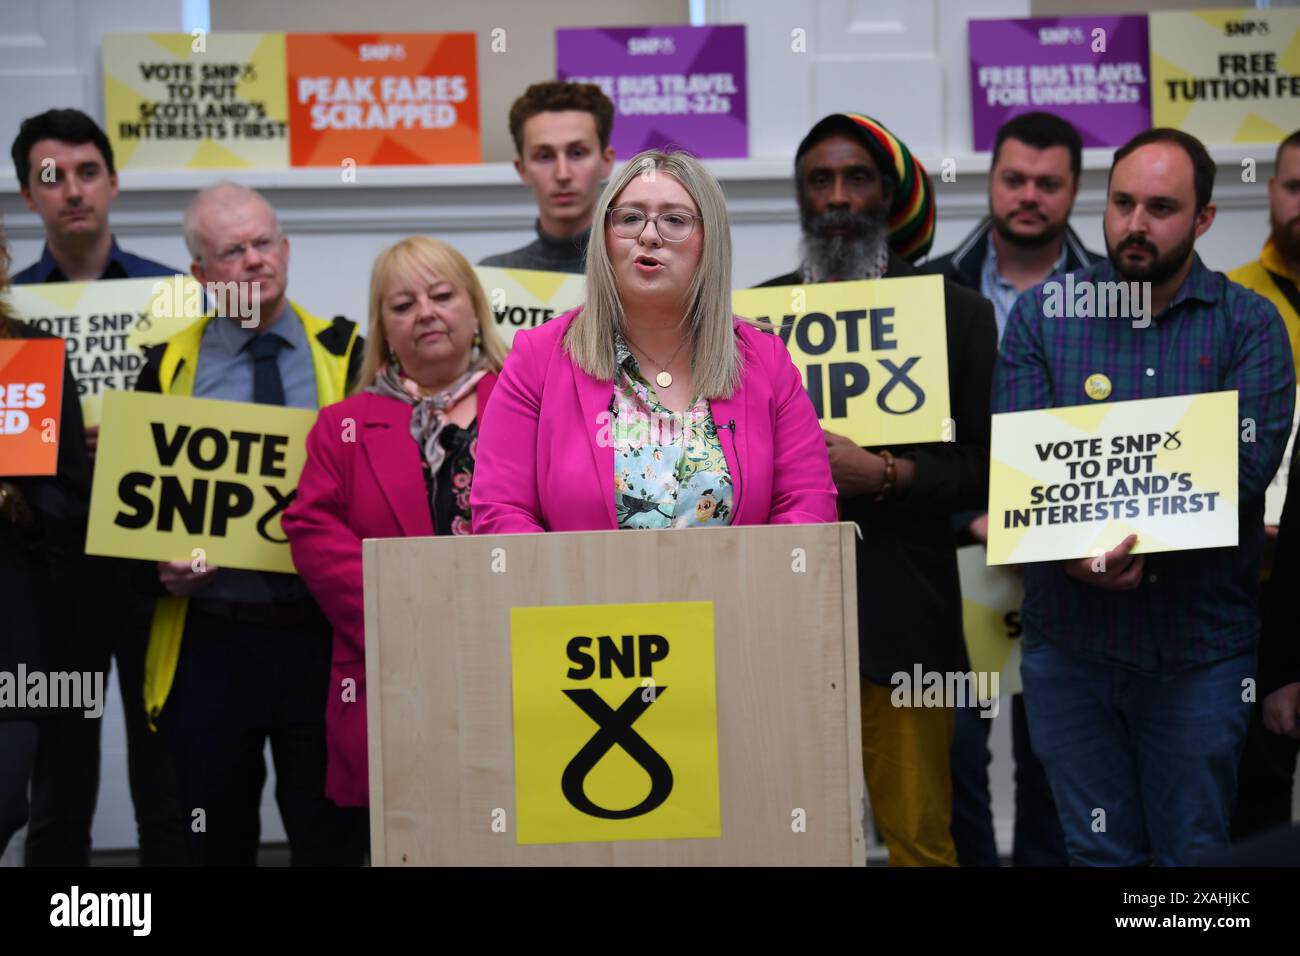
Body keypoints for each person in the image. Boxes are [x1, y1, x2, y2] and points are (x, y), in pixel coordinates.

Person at [993, 128, 1295, 866]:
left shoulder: (1249, 325)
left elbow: (1243, 469)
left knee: (1194, 859)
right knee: (1096, 855)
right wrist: (1072, 556)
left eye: (1161, 207)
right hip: (1070, 647)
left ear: (1204, 220)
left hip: (1202, 651)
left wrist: (1119, 533)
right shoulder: (1042, 317)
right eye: (1122, 202)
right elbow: (1024, 465)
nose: (1135, 223)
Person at [756, 113, 997, 867]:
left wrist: (887, 474)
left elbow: (991, 468)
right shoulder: (750, 321)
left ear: (889, 195)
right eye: (818, 180)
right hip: (781, 623)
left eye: (856, 178)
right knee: (789, 839)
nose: (836, 197)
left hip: (909, 618)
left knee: (921, 837)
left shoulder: (956, 312)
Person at [133, 181, 367, 865]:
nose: (254, 261)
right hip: (211, 641)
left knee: (332, 841)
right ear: (201, 276)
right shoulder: (165, 366)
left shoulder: (351, 353)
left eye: (264, 243)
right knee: (212, 840)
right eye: (231, 252)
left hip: (324, 641)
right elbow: (131, 516)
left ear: (286, 251)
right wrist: (155, 568)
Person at [471, 149, 836, 533]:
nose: (648, 235)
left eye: (675, 220)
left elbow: (807, 507)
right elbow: (502, 512)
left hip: (737, 592)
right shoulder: (538, 358)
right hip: (581, 594)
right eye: (630, 218)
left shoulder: (766, 361)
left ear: (708, 243)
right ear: (605, 239)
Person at [9, 107, 184, 866]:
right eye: (51, 177)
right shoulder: (9, 317)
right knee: (60, 784)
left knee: (169, 775)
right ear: (27, 196)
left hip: (155, 565)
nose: (72, 190)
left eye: (87, 172)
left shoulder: (179, 296)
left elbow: (206, 417)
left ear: (113, 182)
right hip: (54, 571)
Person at [930, 112, 1101, 867]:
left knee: (1057, 763)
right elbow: (903, 436)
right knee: (954, 759)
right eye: (1014, 179)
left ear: (1073, 191)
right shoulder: (927, 291)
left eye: (1048, 182)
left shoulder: (1113, 296)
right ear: (991, 180)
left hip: (1073, 569)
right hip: (952, 563)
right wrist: (970, 514)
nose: (1028, 195)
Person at [282, 237, 506, 812]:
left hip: (512, 654)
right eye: (402, 305)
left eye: (441, 295)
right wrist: (410, 611)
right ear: (383, 326)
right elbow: (311, 529)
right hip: (395, 665)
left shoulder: (529, 400)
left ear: (475, 306)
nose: (425, 313)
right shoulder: (343, 425)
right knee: (410, 825)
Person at [0, 240, 91, 857]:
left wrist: (14, 500)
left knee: (6, 796)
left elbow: (70, 500)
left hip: (15, 624)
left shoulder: (30, 355)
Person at [1227, 128, 1300, 840]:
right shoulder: (1233, 302)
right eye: (1294, 185)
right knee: (1256, 797)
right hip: (1254, 579)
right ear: (1271, 192)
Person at [479, 81, 616, 274]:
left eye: (577, 153)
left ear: (605, 161)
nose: (562, 174)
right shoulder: (492, 276)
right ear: (522, 169)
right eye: (544, 156)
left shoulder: (637, 274)